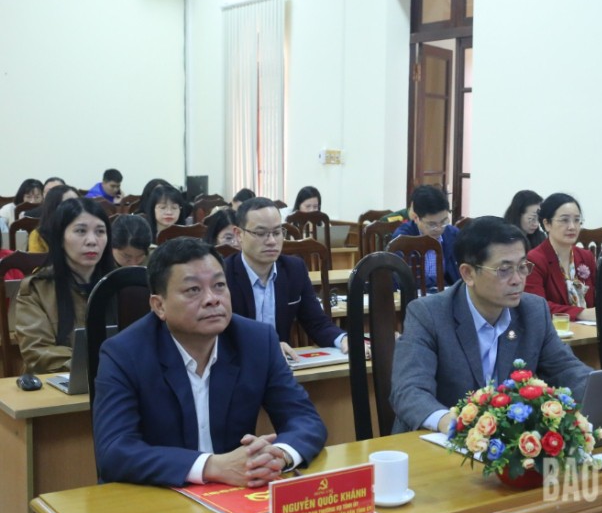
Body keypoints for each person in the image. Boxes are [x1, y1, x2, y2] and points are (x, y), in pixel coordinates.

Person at [92, 237, 327, 487]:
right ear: (159, 306)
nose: (212, 299)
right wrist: (211, 466)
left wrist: (279, 455)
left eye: (219, 285)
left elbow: (305, 420)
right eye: (193, 290)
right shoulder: (124, 353)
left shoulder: (257, 341)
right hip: (159, 494)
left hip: (235, 492)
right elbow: (114, 450)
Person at [390, 216, 592, 434]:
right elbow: (409, 390)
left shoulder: (533, 311)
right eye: (504, 270)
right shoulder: (428, 314)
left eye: (522, 267)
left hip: (506, 443)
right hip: (436, 441)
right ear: (468, 273)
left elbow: (567, 370)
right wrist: (450, 422)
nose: (517, 279)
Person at [223, 197, 352, 359]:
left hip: (283, 365)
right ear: (239, 234)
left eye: (277, 233)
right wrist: (265, 347)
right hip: (237, 364)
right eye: (261, 233)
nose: (271, 241)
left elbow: (316, 322)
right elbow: (218, 336)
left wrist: (343, 339)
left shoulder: (294, 269)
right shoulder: (223, 274)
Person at [16, 197, 114, 373]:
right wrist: (99, 365)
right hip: (58, 383)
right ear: (60, 238)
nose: (92, 241)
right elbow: (37, 351)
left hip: (117, 382)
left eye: (100, 231)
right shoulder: (36, 289)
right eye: (81, 231)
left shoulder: (121, 285)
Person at [524, 193, 597, 321]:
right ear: (547, 224)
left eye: (577, 220)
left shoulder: (586, 256)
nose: (572, 227)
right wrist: (581, 313)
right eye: (564, 220)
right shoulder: (535, 259)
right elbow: (536, 306)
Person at [391, 185, 461, 289]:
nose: (439, 229)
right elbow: (405, 279)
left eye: (444, 222)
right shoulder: (402, 239)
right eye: (432, 224)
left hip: (446, 294)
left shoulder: (453, 234)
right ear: (416, 218)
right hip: (414, 295)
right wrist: (440, 284)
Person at [29, 184, 79, 253]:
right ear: (53, 208)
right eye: (68, 204)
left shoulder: (86, 230)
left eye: (77, 203)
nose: (75, 208)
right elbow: (37, 259)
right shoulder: (38, 236)